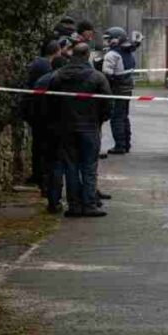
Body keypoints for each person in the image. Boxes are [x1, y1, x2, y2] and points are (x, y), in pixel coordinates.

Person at [40, 42, 112, 217]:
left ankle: (74, 205)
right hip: (89, 127)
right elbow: (108, 104)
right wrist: (99, 120)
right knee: (88, 166)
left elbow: (50, 102)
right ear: (87, 55)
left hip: (65, 128)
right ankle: (89, 204)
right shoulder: (97, 77)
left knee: (70, 167)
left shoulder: (57, 77)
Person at [23, 40, 61, 194]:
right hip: (43, 115)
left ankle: (39, 176)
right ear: (56, 51)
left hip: (37, 113)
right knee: (45, 149)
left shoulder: (38, 63)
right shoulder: (46, 68)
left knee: (38, 145)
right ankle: (42, 179)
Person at [102, 27, 133, 154]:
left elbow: (107, 74)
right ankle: (126, 144)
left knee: (116, 118)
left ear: (116, 40)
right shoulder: (128, 52)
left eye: (108, 39)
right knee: (124, 116)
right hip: (127, 89)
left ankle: (119, 146)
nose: (106, 42)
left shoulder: (111, 54)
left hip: (116, 89)